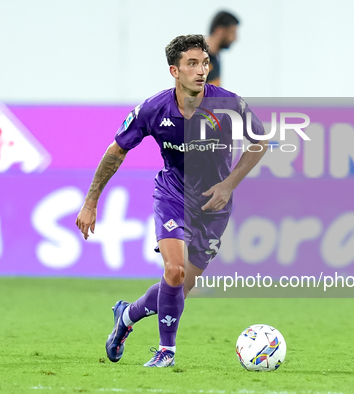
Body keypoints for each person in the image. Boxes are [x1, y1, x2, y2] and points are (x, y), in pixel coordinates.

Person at [75, 34, 266, 368]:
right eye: (192, 63)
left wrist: (228, 184)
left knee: (178, 287)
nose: (201, 70)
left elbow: (260, 141)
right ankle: (166, 351)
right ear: (174, 71)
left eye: (204, 62)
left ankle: (126, 316)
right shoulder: (153, 109)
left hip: (213, 205)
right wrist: (91, 202)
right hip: (173, 194)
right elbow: (116, 151)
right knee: (174, 270)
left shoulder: (228, 104)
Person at [206, 11, 240, 86]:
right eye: (232, 32)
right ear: (220, 31)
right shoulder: (197, 57)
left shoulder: (216, 58)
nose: (235, 38)